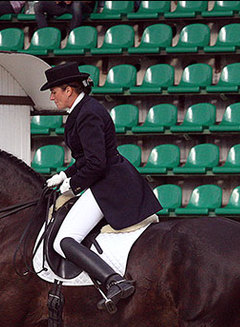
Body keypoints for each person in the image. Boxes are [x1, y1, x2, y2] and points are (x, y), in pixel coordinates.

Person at [41, 62, 161, 312]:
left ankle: (114, 282)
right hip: (106, 179)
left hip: (111, 184)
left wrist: (72, 185)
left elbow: (96, 163)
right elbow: (86, 158)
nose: (51, 97)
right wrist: (65, 173)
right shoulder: (82, 110)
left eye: (54, 91)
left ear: (69, 90)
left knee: (63, 239)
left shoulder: (88, 114)